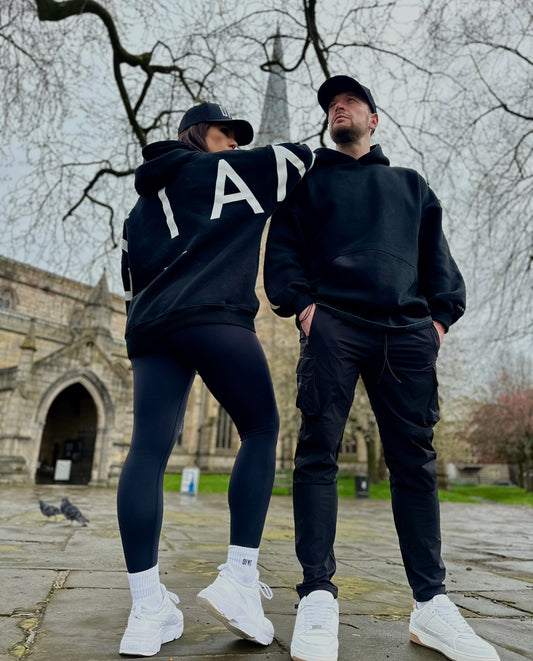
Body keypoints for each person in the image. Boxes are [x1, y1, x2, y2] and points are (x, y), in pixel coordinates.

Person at [264, 76, 500, 661]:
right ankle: (317, 595)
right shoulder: (308, 183)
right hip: (334, 323)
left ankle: (432, 606)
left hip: (407, 333)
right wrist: (304, 307)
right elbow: (284, 251)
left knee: (414, 463)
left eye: (349, 101)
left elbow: (439, 264)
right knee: (318, 452)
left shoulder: (410, 186)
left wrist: (437, 324)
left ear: (375, 118)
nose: (336, 107)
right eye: (329, 105)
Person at [117, 102, 314, 657]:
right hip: (212, 316)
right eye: (226, 132)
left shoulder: (138, 209)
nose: (234, 142)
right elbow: (298, 159)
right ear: (195, 135)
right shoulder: (224, 171)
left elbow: (130, 282)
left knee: (147, 453)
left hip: (151, 328)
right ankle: (240, 578)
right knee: (261, 429)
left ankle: (146, 608)